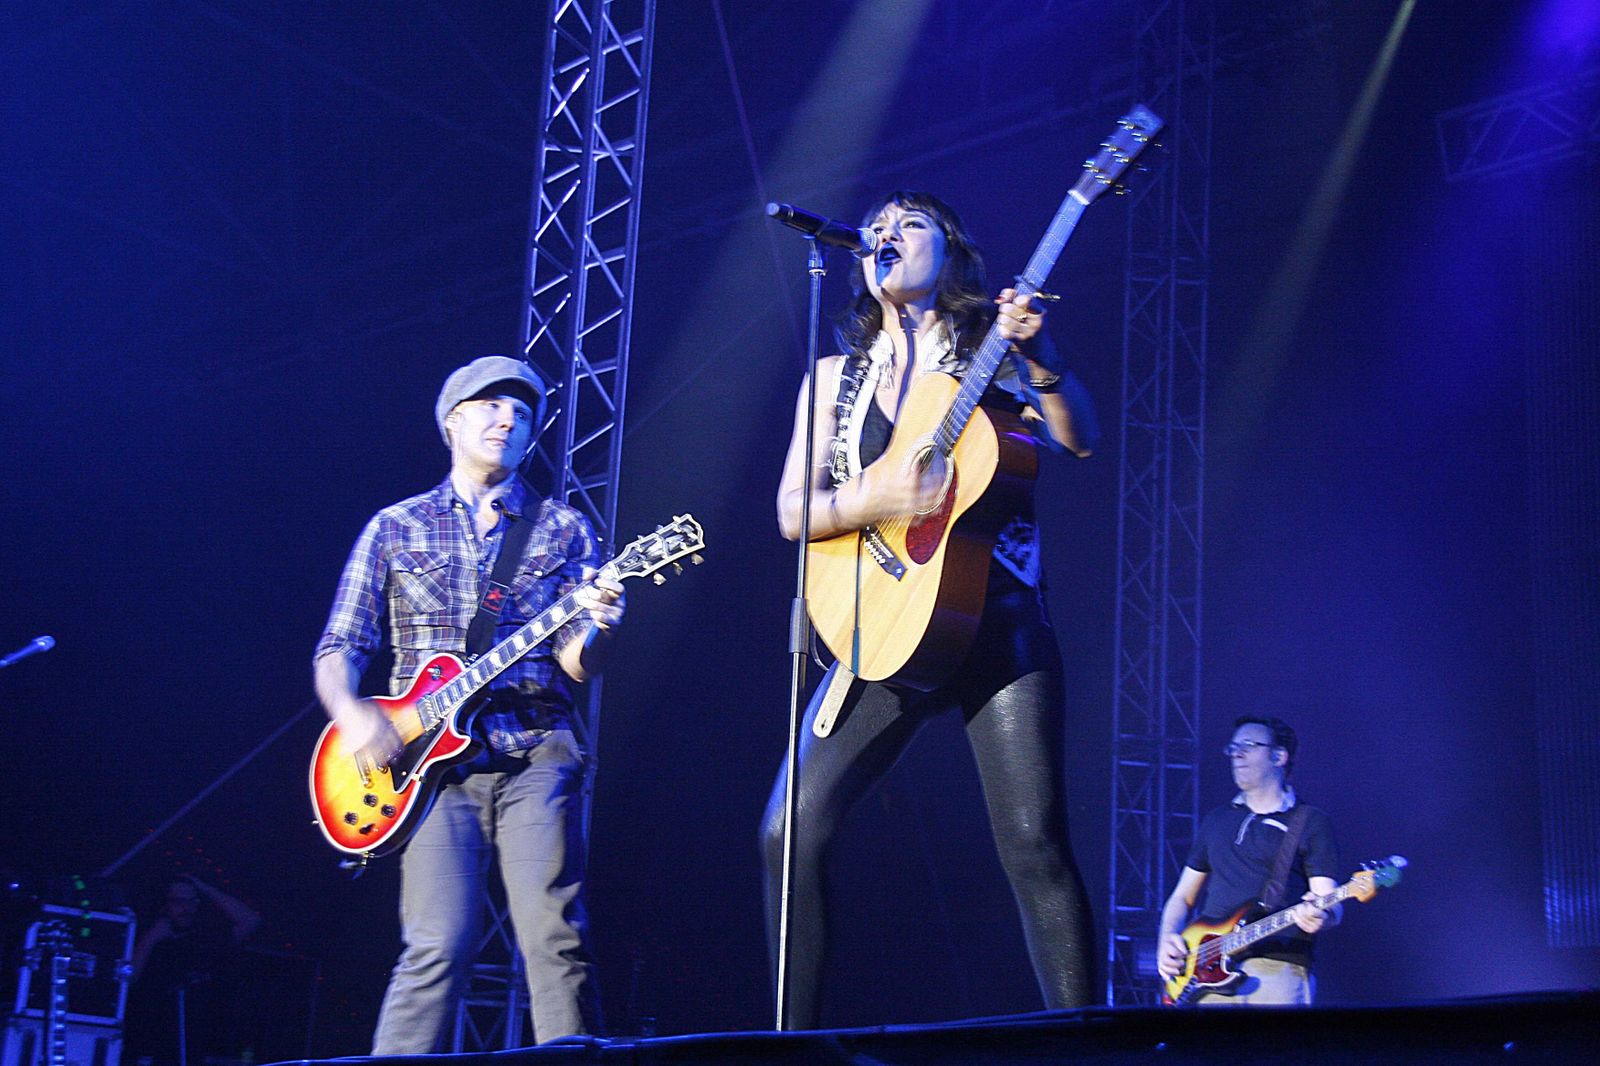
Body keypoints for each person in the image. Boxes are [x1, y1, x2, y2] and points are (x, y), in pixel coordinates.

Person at [760, 190, 1101, 1028]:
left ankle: (1090, 1047)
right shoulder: (834, 382)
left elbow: (1078, 437)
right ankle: (791, 1048)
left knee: (1034, 847)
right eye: (877, 225)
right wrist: (873, 497)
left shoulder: (993, 350)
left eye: (910, 223)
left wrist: (1043, 355)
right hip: (886, 618)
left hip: (997, 622)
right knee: (786, 833)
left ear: (950, 253)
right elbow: (793, 513)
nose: (888, 232)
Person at [313, 355, 624, 1051]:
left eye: (522, 413)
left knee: (554, 937)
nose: (508, 419)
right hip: (429, 770)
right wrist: (355, 717)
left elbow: (577, 662)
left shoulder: (563, 528)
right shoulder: (395, 526)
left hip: (535, 748)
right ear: (452, 422)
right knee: (436, 946)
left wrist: (601, 624)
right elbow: (339, 646)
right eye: (491, 405)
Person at [1155, 716, 1342, 1005]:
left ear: (1278, 756)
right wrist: (1166, 939)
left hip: (1276, 966)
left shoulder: (1310, 821)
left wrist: (1322, 915)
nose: (1237, 754)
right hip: (1205, 972)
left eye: (1249, 746)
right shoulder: (1216, 819)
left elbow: (1329, 900)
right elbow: (1182, 897)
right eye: (1233, 748)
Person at [124, 876, 261, 1066]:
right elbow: (126, 981)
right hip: (148, 1042)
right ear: (165, 904)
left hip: (193, 1044)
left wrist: (204, 887)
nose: (185, 908)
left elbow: (251, 921)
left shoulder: (205, 940)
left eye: (191, 901)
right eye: (178, 901)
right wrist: (152, 938)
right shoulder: (147, 936)